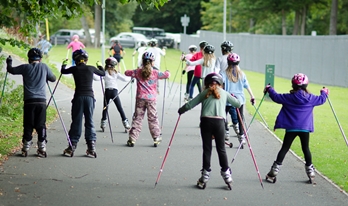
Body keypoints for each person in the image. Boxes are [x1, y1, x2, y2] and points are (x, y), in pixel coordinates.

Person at [178, 73, 241, 189]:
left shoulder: (204, 93)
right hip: (219, 123)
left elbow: (190, 104)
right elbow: (238, 103)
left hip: (206, 122)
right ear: (221, 84)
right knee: (221, 149)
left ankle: (205, 176)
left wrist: (181, 110)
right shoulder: (224, 93)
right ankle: (227, 175)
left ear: (206, 83)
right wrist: (234, 97)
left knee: (207, 149)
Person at [264, 73, 329, 183]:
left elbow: (275, 97)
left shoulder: (288, 97)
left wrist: (269, 89)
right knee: (305, 149)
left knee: (284, 148)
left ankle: (274, 171)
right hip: (304, 128)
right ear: (306, 85)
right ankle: (311, 172)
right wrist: (324, 92)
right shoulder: (311, 98)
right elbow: (322, 99)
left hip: (291, 128)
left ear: (293, 85)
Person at [6, 48, 56, 157]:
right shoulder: (44, 67)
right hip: (41, 101)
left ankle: (26, 147)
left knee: (28, 124)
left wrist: (9, 62)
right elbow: (53, 79)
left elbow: (11, 70)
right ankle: (42, 147)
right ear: (41, 59)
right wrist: (45, 76)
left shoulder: (25, 68)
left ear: (29, 58)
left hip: (29, 101)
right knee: (41, 124)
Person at [61, 49, 105, 157]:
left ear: (75, 60)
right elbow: (103, 74)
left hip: (79, 97)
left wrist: (63, 64)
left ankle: (72, 146)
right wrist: (100, 66)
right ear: (86, 60)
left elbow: (63, 72)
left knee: (76, 121)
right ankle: (91, 147)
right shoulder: (91, 68)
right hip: (89, 98)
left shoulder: (74, 69)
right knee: (89, 121)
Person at [124, 52, 170, 147]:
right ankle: (156, 137)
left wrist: (134, 72)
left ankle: (132, 138)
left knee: (138, 118)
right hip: (151, 99)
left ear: (142, 61)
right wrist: (167, 71)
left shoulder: (137, 72)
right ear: (152, 62)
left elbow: (126, 72)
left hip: (140, 98)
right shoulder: (156, 73)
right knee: (152, 118)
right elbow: (166, 75)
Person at [220, 53, 255, 146]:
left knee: (223, 115)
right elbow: (247, 86)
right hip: (240, 99)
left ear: (228, 62)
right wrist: (252, 96)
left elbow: (221, 86)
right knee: (241, 118)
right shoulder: (242, 74)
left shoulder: (223, 73)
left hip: (227, 98)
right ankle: (241, 136)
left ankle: (226, 131)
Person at [99, 57, 131, 132]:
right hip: (114, 92)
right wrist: (131, 78)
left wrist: (99, 70)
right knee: (120, 108)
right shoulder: (116, 73)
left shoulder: (104, 73)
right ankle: (126, 123)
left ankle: (103, 123)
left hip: (107, 92)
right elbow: (125, 79)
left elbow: (97, 78)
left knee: (105, 108)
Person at [215, 41, 238, 139]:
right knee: (232, 105)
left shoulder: (220, 59)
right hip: (233, 86)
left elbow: (216, 72)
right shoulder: (234, 58)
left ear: (223, 49)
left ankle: (226, 131)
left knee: (223, 109)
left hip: (223, 85)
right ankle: (236, 125)